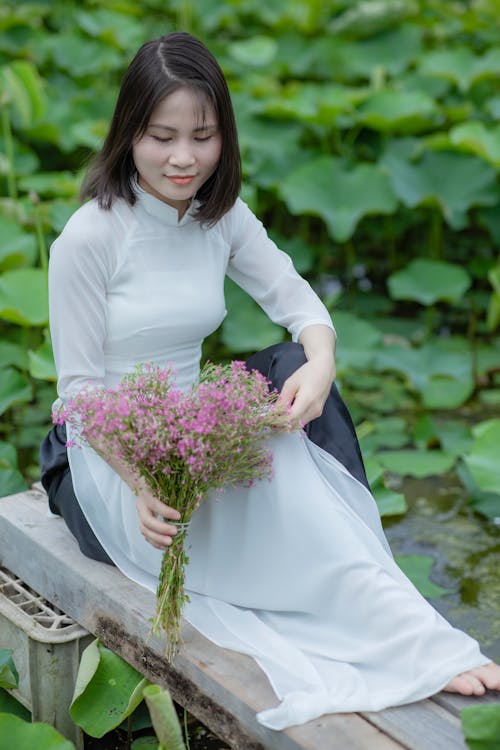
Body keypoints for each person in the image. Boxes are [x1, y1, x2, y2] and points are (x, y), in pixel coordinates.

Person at [40, 31, 500, 730]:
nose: (184, 158)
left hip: (192, 431)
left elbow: (300, 304)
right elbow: (78, 396)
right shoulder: (90, 237)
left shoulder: (218, 219)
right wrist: (140, 484)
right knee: (278, 505)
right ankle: (384, 611)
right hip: (105, 464)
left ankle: (396, 614)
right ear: (128, 132)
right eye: (162, 136)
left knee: (290, 374)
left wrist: (322, 362)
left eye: (204, 135)